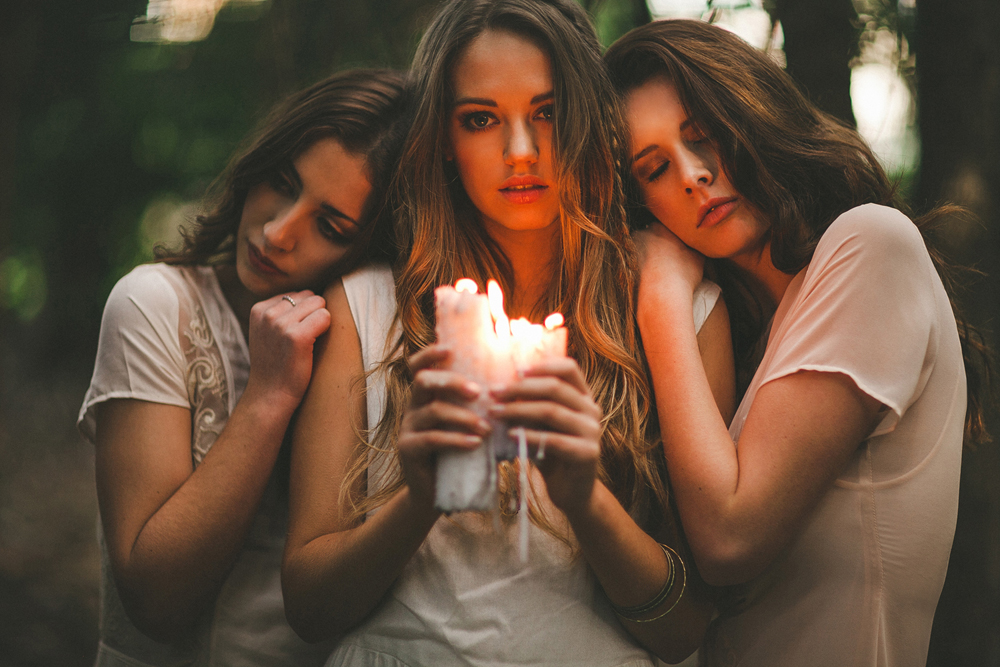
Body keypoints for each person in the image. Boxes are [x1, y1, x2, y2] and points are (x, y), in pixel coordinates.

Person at [281, 2, 734, 666]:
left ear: (587, 121)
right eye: (482, 119)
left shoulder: (679, 314)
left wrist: (586, 499)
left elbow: (685, 627)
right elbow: (308, 608)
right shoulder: (370, 309)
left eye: (548, 113)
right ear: (442, 137)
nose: (521, 151)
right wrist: (419, 500)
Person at [604, 19, 991, 667]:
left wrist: (661, 298)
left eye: (702, 137)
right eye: (654, 168)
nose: (693, 174)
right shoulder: (753, 337)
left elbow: (729, 539)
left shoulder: (870, 245)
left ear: (751, 112)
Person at [76, 69, 409, 666]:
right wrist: (268, 397)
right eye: (282, 183)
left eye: (330, 227)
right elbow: (155, 603)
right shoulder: (156, 306)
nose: (278, 231)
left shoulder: (375, 346)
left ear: (372, 252)